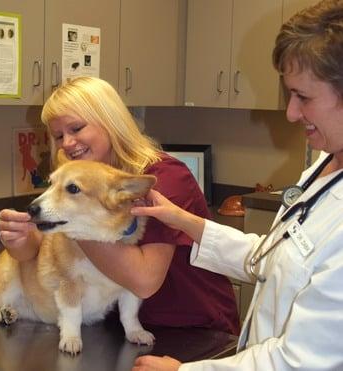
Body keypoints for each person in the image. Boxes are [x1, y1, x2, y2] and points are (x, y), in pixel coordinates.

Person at [131, 0, 343, 370]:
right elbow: (271, 258)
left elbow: (299, 361)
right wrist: (183, 220)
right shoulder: (326, 167)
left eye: (303, 96)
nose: (291, 113)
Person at [0, 76, 240, 336]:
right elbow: (44, 250)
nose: (66, 143)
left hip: (192, 329)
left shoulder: (165, 179)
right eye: (58, 135)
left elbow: (144, 281)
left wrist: (75, 220)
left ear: (109, 121)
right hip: (118, 329)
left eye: (76, 128)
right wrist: (20, 241)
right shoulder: (78, 180)